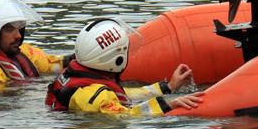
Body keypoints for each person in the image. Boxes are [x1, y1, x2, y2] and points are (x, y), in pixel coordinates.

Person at [45, 18, 204, 116]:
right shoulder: (95, 95)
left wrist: (168, 87)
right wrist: (168, 104)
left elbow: (124, 94)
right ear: (116, 58)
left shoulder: (79, 75)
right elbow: (127, 116)